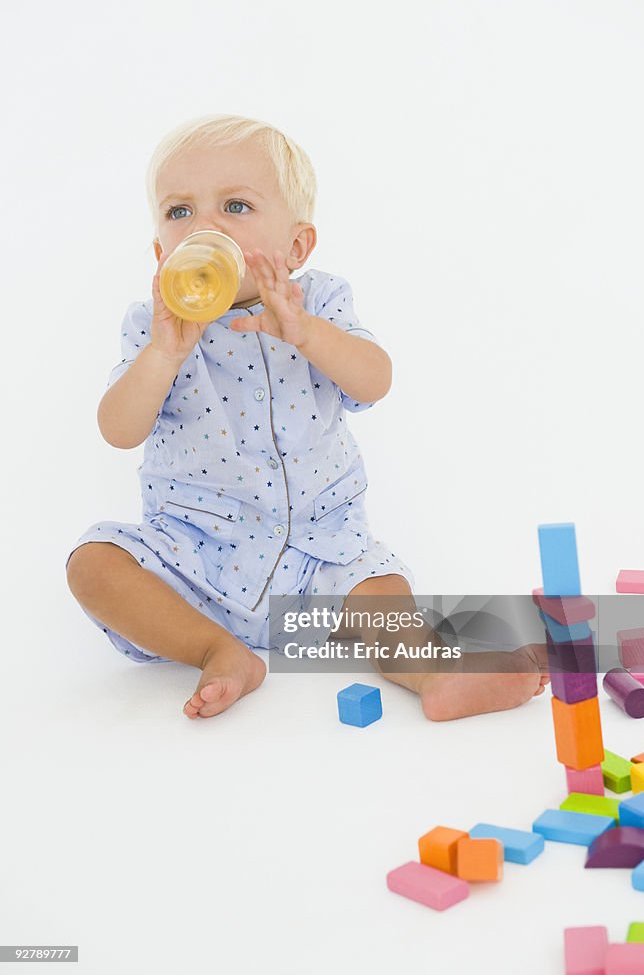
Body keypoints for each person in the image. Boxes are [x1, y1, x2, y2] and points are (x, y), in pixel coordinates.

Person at [65, 113, 548, 720]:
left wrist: (308, 334)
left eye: (235, 207)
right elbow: (118, 429)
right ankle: (219, 650)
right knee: (94, 564)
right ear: (162, 252)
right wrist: (164, 353)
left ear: (296, 247)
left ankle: (431, 673)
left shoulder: (317, 302)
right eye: (180, 212)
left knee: (378, 591)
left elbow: (375, 379)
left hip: (318, 562)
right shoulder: (154, 325)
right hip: (195, 560)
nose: (204, 227)